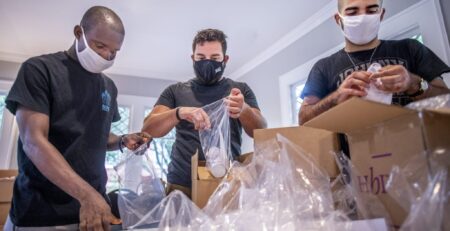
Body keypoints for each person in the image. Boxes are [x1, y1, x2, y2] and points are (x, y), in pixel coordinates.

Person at [4, 6, 151, 231]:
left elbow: (96, 136)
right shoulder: (40, 70)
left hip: (90, 215)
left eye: (114, 52)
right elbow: (34, 142)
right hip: (41, 214)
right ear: (78, 33)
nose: (106, 55)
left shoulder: (108, 87)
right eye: (100, 46)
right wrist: (87, 196)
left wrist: (122, 141)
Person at [142, 28, 267, 196]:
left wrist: (243, 109)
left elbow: (260, 130)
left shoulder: (240, 90)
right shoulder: (174, 91)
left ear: (225, 59)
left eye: (215, 58)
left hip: (227, 181)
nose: (207, 63)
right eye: (201, 58)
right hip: (181, 185)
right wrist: (179, 113)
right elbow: (149, 128)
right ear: (193, 58)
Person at [299, 0, 450, 125]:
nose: (363, 17)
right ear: (339, 20)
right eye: (352, 12)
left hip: (417, 151)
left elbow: (446, 102)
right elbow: (303, 119)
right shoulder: (323, 67)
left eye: (371, 11)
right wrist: (335, 97)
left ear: (381, 14)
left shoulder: (411, 48)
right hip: (355, 156)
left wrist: (413, 84)